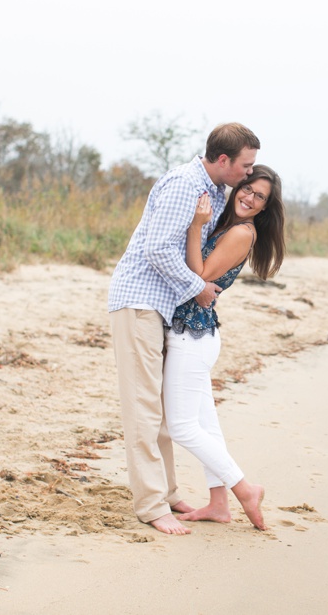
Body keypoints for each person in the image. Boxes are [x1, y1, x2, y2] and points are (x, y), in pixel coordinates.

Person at [107, 123, 260, 535]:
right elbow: (157, 248)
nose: (249, 173)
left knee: (158, 409)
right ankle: (152, 504)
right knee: (142, 409)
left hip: (161, 306)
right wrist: (198, 287)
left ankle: (169, 493)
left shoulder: (213, 190)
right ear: (224, 159)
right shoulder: (185, 185)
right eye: (246, 165)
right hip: (139, 301)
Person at [162, 165, 286, 531]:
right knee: (205, 425)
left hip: (191, 336)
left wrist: (195, 226)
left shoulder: (241, 233)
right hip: (198, 335)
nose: (249, 197)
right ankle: (219, 504)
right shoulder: (229, 224)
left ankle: (244, 489)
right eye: (247, 188)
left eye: (259, 197)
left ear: (265, 207)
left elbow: (198, 277)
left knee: (183, 427)